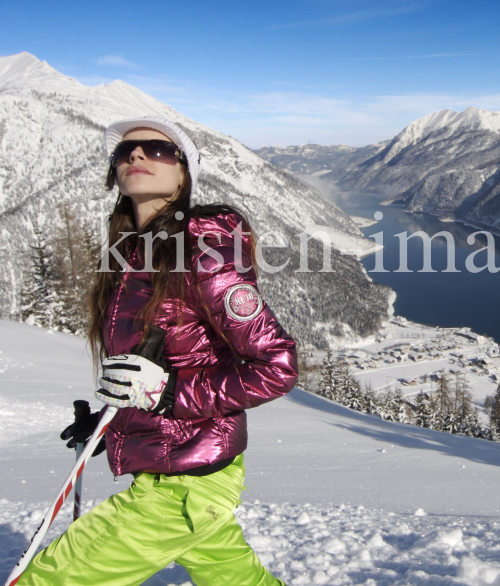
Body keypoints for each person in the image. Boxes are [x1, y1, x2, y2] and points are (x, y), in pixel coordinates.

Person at [18, 115, 298, 585]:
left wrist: (167, 395)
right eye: (124, 152)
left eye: (158, 149)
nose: (138, 155)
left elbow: (276, 366)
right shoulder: (132, 258)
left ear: (184, 172)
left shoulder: (203, 251)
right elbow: (156, 363)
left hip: (183, 484)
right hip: (183, 470)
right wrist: (113, 421)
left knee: (48, 578)